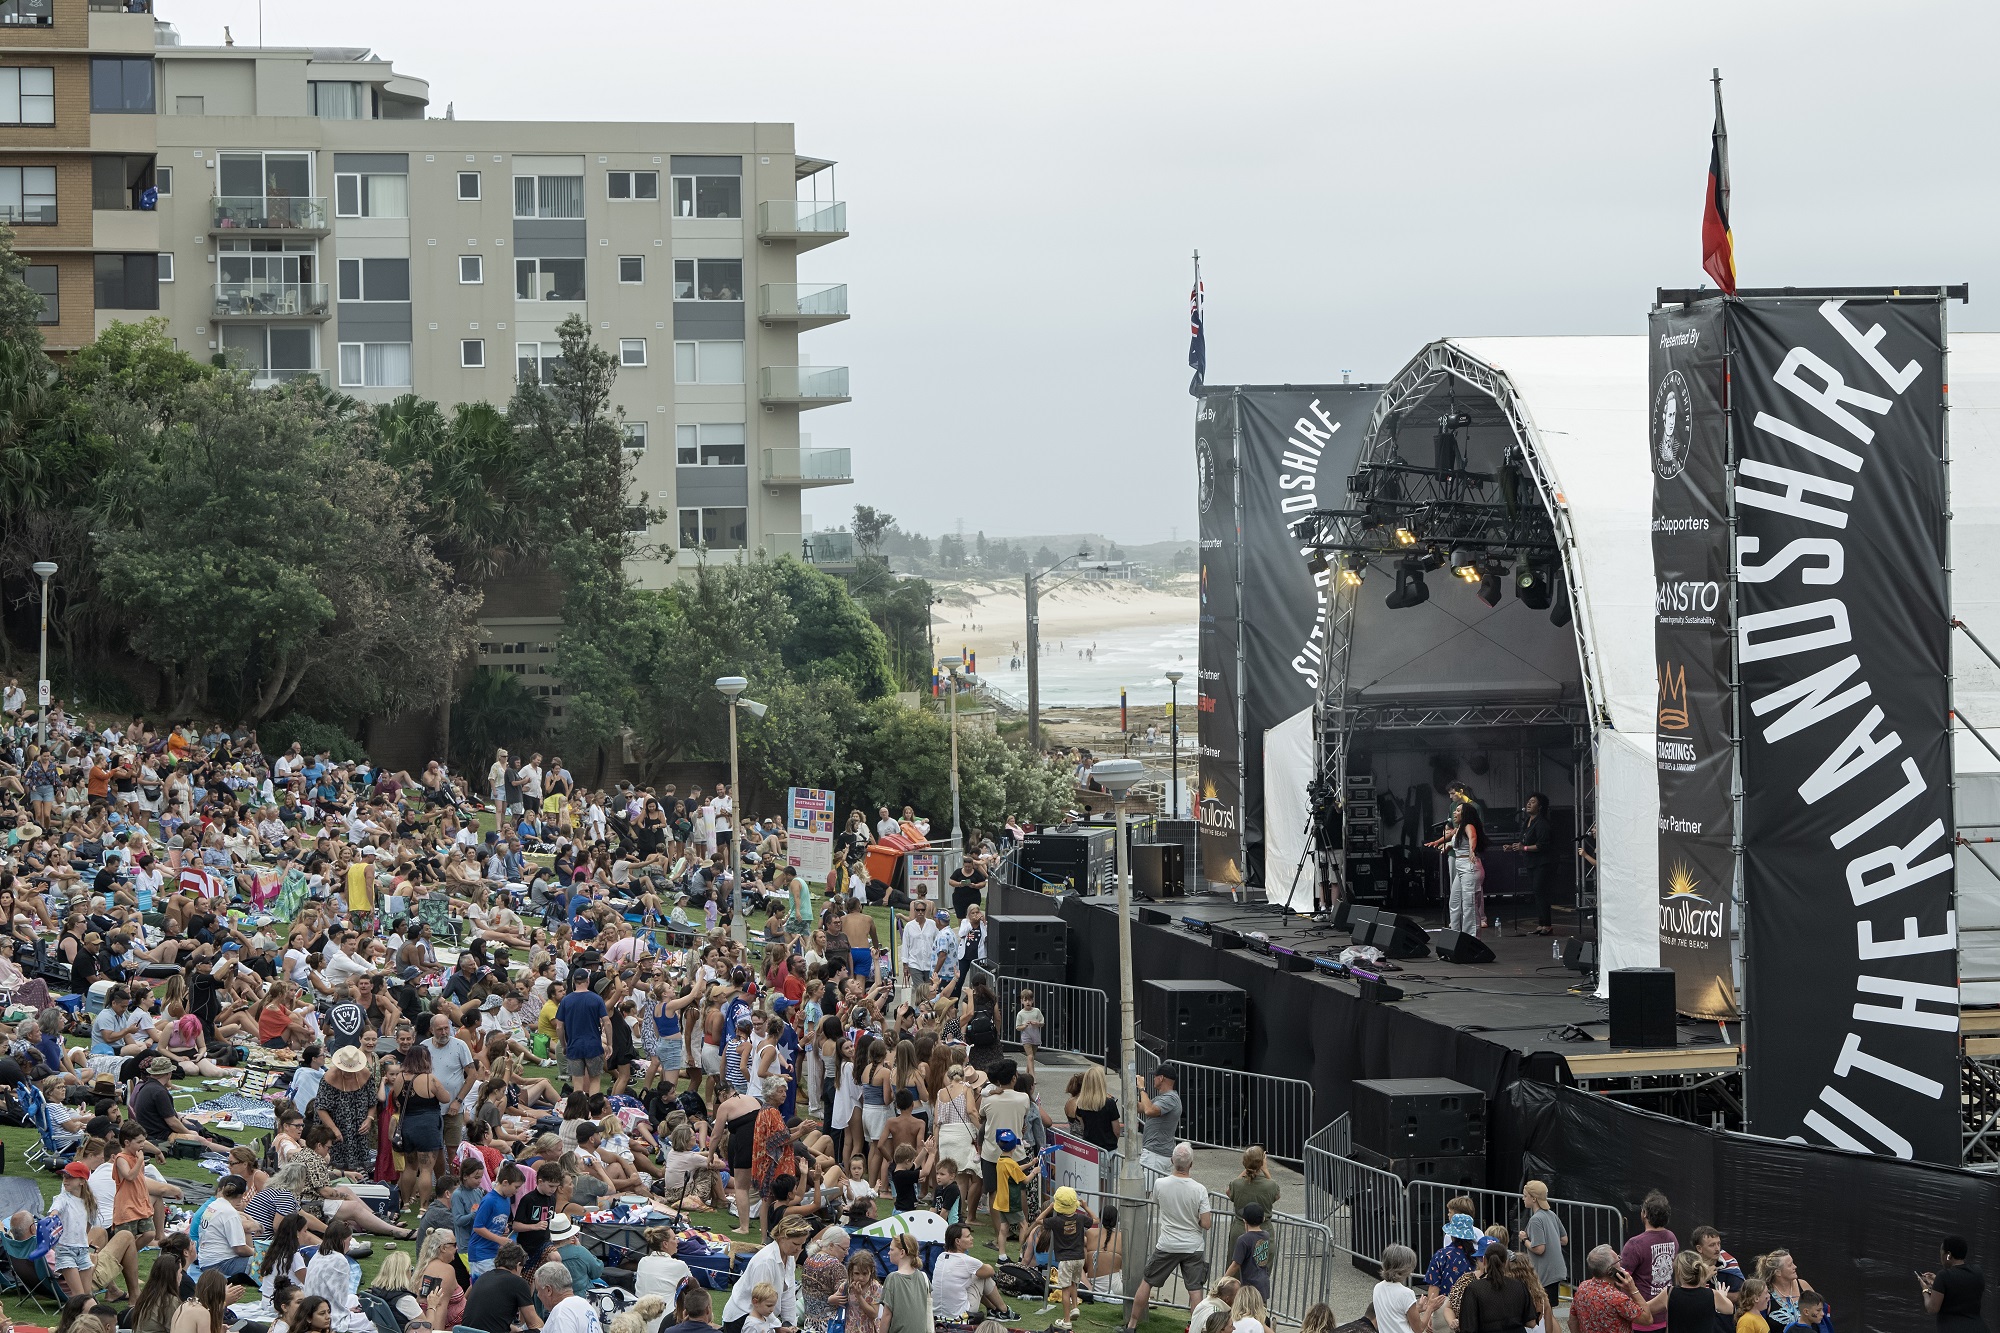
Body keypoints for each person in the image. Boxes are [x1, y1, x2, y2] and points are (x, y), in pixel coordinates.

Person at [1125, 1143, 1211, 1333]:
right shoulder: (1200, 1189)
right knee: (1195, 1290)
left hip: (1167, 1244)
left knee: (1147, 1281)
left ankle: (1131, 1325)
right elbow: (1206, 1223)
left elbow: (1157, 1202)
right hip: (1192, 1246)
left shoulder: (1160, 1184)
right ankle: (1197, 1328)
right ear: (1191, 1164)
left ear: (1172, 1161)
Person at [1023, 1186, 1097, 1333]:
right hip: (1079, 1259)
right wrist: (1086, 1207)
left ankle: (1067, 1321)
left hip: (1065, 1259)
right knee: (1074, 1284)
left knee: (1065, 1290)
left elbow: (1038, 1220)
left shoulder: (1055, 1221)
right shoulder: (1081, 1218)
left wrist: (1049, 1206)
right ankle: (1074, 1308)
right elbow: (1095, 1220)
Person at [720, 1216, 812, 1333]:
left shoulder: (789, 1258)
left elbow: (788, 1295)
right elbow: (761, 1300)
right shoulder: (765, 1261)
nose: (799, 1249)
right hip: (742, 1317)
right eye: (795, 1244)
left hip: (763, 1316)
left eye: (802, 1245)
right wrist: (777, 1327)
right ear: (782, 1238)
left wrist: (791, 1326)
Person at [1621, 1192, 1678, 1333]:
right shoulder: (1672, 1237)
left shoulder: (1635, 1244)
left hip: (1641, 1318)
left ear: (1644, 1214)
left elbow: (1622, 1281)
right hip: (1664, 1314)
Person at [1427, 802, 1486, 937]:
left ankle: (1471, 938)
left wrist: (1472, 851)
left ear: (1465, 814)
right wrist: (1438, 843)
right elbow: (1449, 836)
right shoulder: (1458, 828)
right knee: (1454, 901)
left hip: (1470, 868)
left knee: (1469, 905)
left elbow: (1473, 837)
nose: (1454, 813)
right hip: (1461, 868)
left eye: (1458, 811)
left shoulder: (1468, 826)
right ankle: (1455, 934)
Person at [932, 1222, 1011, 1322]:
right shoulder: (966, 1260)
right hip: (960, 1315)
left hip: (937, 1314)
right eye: (968, 1236)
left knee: (974, 1276)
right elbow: (990, 1271)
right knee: (982, 1277)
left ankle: (993, 1309)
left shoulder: (941, 1256)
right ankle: (1004, 1311)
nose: (972, 1238)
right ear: (957, 1241)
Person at [1505, 793, 1560, 934]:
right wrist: (1513, 847)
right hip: (1531, 863)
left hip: (1543, 863)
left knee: (1541, 892)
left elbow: (1542, 845)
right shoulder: (1528, 821)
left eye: (1533, 802)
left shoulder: (1542, 823)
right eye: (1528, 801)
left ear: (1540, 807)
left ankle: (1547, 925)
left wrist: (1523, 848)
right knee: (1537, 892)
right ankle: (1541, 924)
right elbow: (1525, 841)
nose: (1528, 804)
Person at [462, 1243, 543, 1333]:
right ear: (518, 1265)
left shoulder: (483, 1277)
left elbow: (488, 1317)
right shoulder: (518, 1282)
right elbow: (534, 1324)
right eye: (522, 1267)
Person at [1646, 1251, 1732, 1333]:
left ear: (1679, 1271)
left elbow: (1645, 1309)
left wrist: (1634, 1291)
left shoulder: (1670, 1293)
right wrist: (1722, 1296)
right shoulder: (1712, 1294)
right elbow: (1730, 1309)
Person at [1568, 1245, 1647, 1333]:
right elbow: (1647, 1319)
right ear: (1611, 1270)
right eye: (1618, 1260)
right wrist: (1633, 1289)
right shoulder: (1617, 1298)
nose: (1620, 1263)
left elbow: (1572, 1322)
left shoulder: (1582, 1287)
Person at [1518, 1181, 1569, 1309]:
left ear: (1534, 1198)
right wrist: (1551, 1238)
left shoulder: (1535, 1219)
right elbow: (1564, 1240)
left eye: (1525, 1195)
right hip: (1556, 1271)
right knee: (1549, 1311)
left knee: (1543, 1311)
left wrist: (1524, 1240)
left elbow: (1539, 1249)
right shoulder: (1551, 1215)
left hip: (1544, 1274)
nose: (1523, 1198)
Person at [1922, 1236, 1988, 1333]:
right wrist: (1938, 1282)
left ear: (1948, 1255)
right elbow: (1961, 1285)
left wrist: (1925, 1290)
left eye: (1941, 1253)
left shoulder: (1943, 1275)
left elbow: (1932, 1308)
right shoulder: (1978, 1272)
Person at [194, 1173, 254, 1280]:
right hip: (219, 1264)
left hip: (205, 1261)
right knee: (266, 1261)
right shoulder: (229, 1212)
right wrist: (257, 1253)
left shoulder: (214, 1205)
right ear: (242, 1195)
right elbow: (240, 1249)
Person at [1225, 1146, 1280, 1248]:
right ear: (1262, 1162)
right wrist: (1266, 1170)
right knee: (1262, 1263)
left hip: (1240, 1230)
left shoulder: (1237, 1184)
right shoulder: (1270, 1185)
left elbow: (1229, 1191)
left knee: (1236, 1262)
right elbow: (1276, 1195)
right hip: (1263, 1232)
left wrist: (1247, 1168)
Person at [1376, 1245, 1440, 1333]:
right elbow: (1419, 1329)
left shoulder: (1378, 1287)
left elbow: (1395, 1314)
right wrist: (1430, 1308)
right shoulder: (1406, 1293)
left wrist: (1417, 1308)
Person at [879, 1233, 932, 1333]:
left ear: (902, 1252)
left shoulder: (892, 1278)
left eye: (891, 1249)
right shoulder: (923, 1277)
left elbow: (887, 1315)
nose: (889, 1253)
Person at [1136, 1066, 1184, 1174]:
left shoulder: (1170, 1098)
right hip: (1157, 1154)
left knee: (1145, 1190)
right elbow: (1140, 1108)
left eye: (1155, 1076)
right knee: (1158, 1191)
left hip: (1155, 1155)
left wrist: (1142, 1089)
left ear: (1161, 1078)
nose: (1153, 1079)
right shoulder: (1162, 1098)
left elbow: (1148, 1110)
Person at [532, 1260, 600, 1333]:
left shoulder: (561, 1313)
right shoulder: (586, 1305)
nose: (538, 1295)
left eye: (538, 1290)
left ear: (549, 1290)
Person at [1225, 1203, 1273, 1303]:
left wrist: (1223, 1280)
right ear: (1263, 1219)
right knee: (1260, 1313)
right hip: (1263, 1283)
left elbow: (1235, 1265)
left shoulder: (1243, 1240)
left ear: (1244, 1220)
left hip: (1250, 1286)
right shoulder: (1266, 1236)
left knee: (1248, 1313)